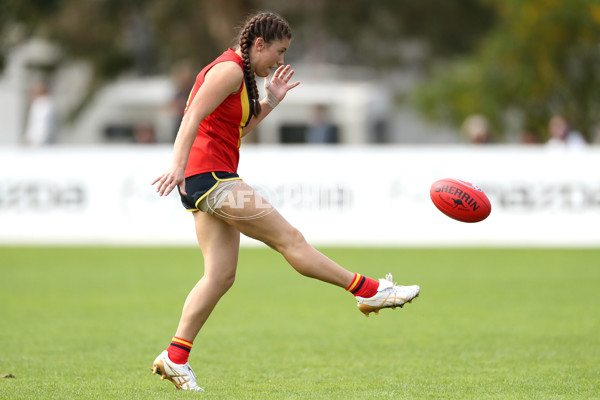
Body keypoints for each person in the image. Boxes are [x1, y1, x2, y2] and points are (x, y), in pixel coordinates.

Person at [151, 12, 420, 392]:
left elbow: (235, 131)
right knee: (290, 240)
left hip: (207, 177)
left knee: (220, 275)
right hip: (210, 177)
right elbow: (191, 113)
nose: (280, 61)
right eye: (278, 52)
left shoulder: (243, 78)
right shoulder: (228, 70)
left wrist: (271, 102)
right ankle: (370, 291)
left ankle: (175, 357)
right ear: (258, 44)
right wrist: (177, 165)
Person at [23, 82, 57, 146]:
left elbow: (42, 125)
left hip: (40, 140)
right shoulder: (41, 104)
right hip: (38, 139)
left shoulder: (43, 104)